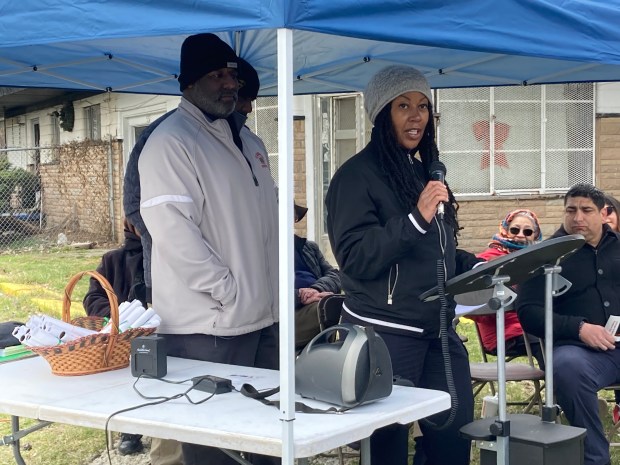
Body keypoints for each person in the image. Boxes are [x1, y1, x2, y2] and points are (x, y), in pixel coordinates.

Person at [325, 65, 481, 465]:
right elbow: (355, 258)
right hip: (386, 337)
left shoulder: (423, 172)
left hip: (439, 332)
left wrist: (481, 267)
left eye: (423, 106)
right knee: (386, 450)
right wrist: (415, 219)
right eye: (403, 105)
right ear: (382, 115)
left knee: (454, 438)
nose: (416, 115)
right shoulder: (354, 178)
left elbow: (435, 251)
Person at [138, 33, 279, 465]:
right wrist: (226, 291)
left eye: (231, 74)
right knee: (215, 447)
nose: (228, 84)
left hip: (262, 318)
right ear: (189, 83)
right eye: (216, 75)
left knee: (268, 437)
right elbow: (173, 233)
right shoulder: (171, 141)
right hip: (208, 326)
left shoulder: (248, 141)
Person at [516, 183, 620, 465]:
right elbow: (527, 312)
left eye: (586, 210)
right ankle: (596, 459)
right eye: (571, 210)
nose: (578, 218)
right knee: (567, 368)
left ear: (603, 213)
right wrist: (579, 328)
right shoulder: (545, 256)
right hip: (578, 351)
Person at [83, 217, 146, 456]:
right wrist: (119, 316)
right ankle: (130, 427)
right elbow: (92, 298)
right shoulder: (113, 260)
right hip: (121, 338)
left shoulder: (165, 256)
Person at [468, 209, 545, 369]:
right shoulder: (486, 261)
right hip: (503, 333)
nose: (521, 235)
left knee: (565, 337)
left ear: (535, 236)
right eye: (515, 230)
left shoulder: (540, 261)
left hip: (535, 326)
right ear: (505, 229)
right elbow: (472, 304)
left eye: (528, 231)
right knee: (548, 340)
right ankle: (558, 391)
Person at [293, 203, 341, 350]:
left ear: (295, 218)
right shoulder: (265, 252)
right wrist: (300, 295)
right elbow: (266, 290)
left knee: (351, 302)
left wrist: (316, 289)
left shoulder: (309, 247)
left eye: (292, 214)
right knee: (328, 306)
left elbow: (335, 275)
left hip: (319, 299)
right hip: (291, 312)